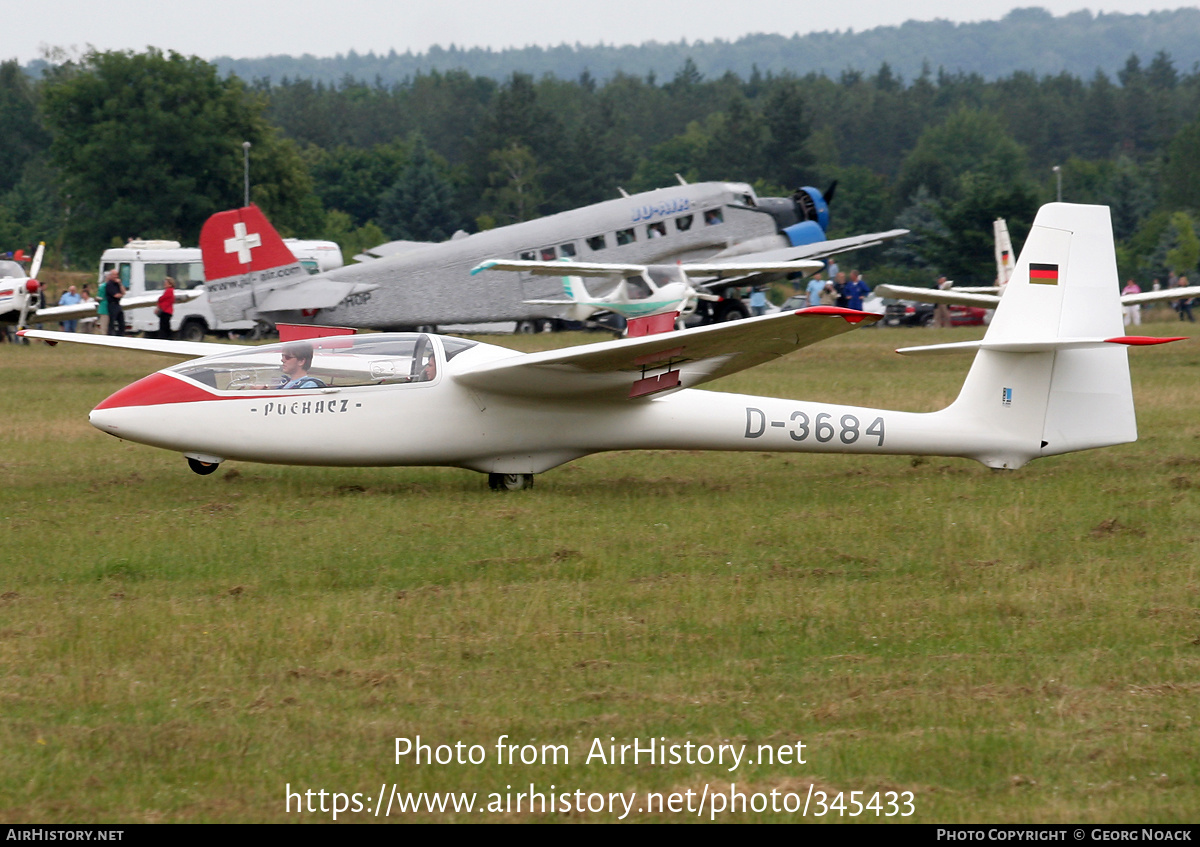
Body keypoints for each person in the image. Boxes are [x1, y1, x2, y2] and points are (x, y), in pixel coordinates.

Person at [103, 269, 125, 336]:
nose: (116, 276)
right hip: (112, 305)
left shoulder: (117, 284)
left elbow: (124, 292)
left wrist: (120, 284)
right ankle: (111, 335)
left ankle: (120, 334)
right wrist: (121, 295)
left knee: (122, 322)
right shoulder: (109, 284)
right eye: (114, 275)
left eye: (117, 275)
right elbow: (116, 295)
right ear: (111, 275)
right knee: (112, 321)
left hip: (118, 304)